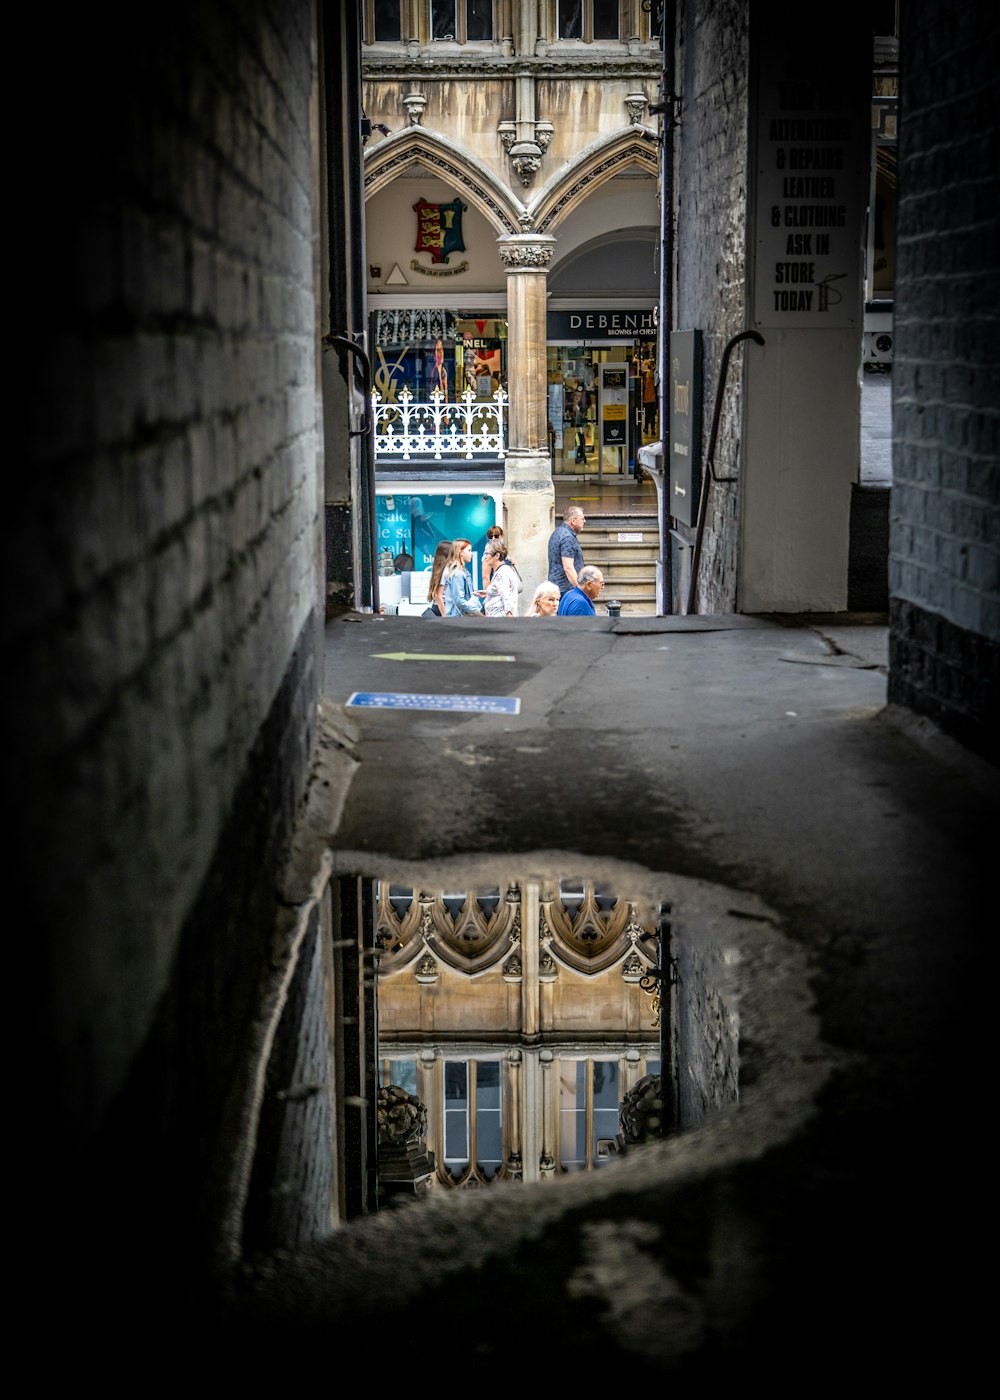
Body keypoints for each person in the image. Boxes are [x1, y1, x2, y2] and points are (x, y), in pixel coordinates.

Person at [547, 505, 586, 596]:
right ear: (573, 521)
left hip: (557, 588)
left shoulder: (557, 532)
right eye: (582, 519)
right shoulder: (568, 537)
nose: (584, 521)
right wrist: (580, 590)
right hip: (566, 590)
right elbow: (568, 568)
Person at [441, 538, 484, 616]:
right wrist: (476, 611)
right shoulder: (458, 573)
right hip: (458, 618)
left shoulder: (461, 571)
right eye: (469, 550)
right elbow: (459, 601)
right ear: (460, 552)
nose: (471, 554)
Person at [482, 540, 519, 617]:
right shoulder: (502, 571)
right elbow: (501, 592)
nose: (485, 557)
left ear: (497, 556)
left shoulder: (502, 573)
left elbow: (507, 601)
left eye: (487, 553)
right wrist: (487, 592)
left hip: (500, 622)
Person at [423, 538, 451, 617]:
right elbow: (438, 596)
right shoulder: (445, 571)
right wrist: (445, 615)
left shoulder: (439, 569)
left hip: (438, 607)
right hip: (442, 607)